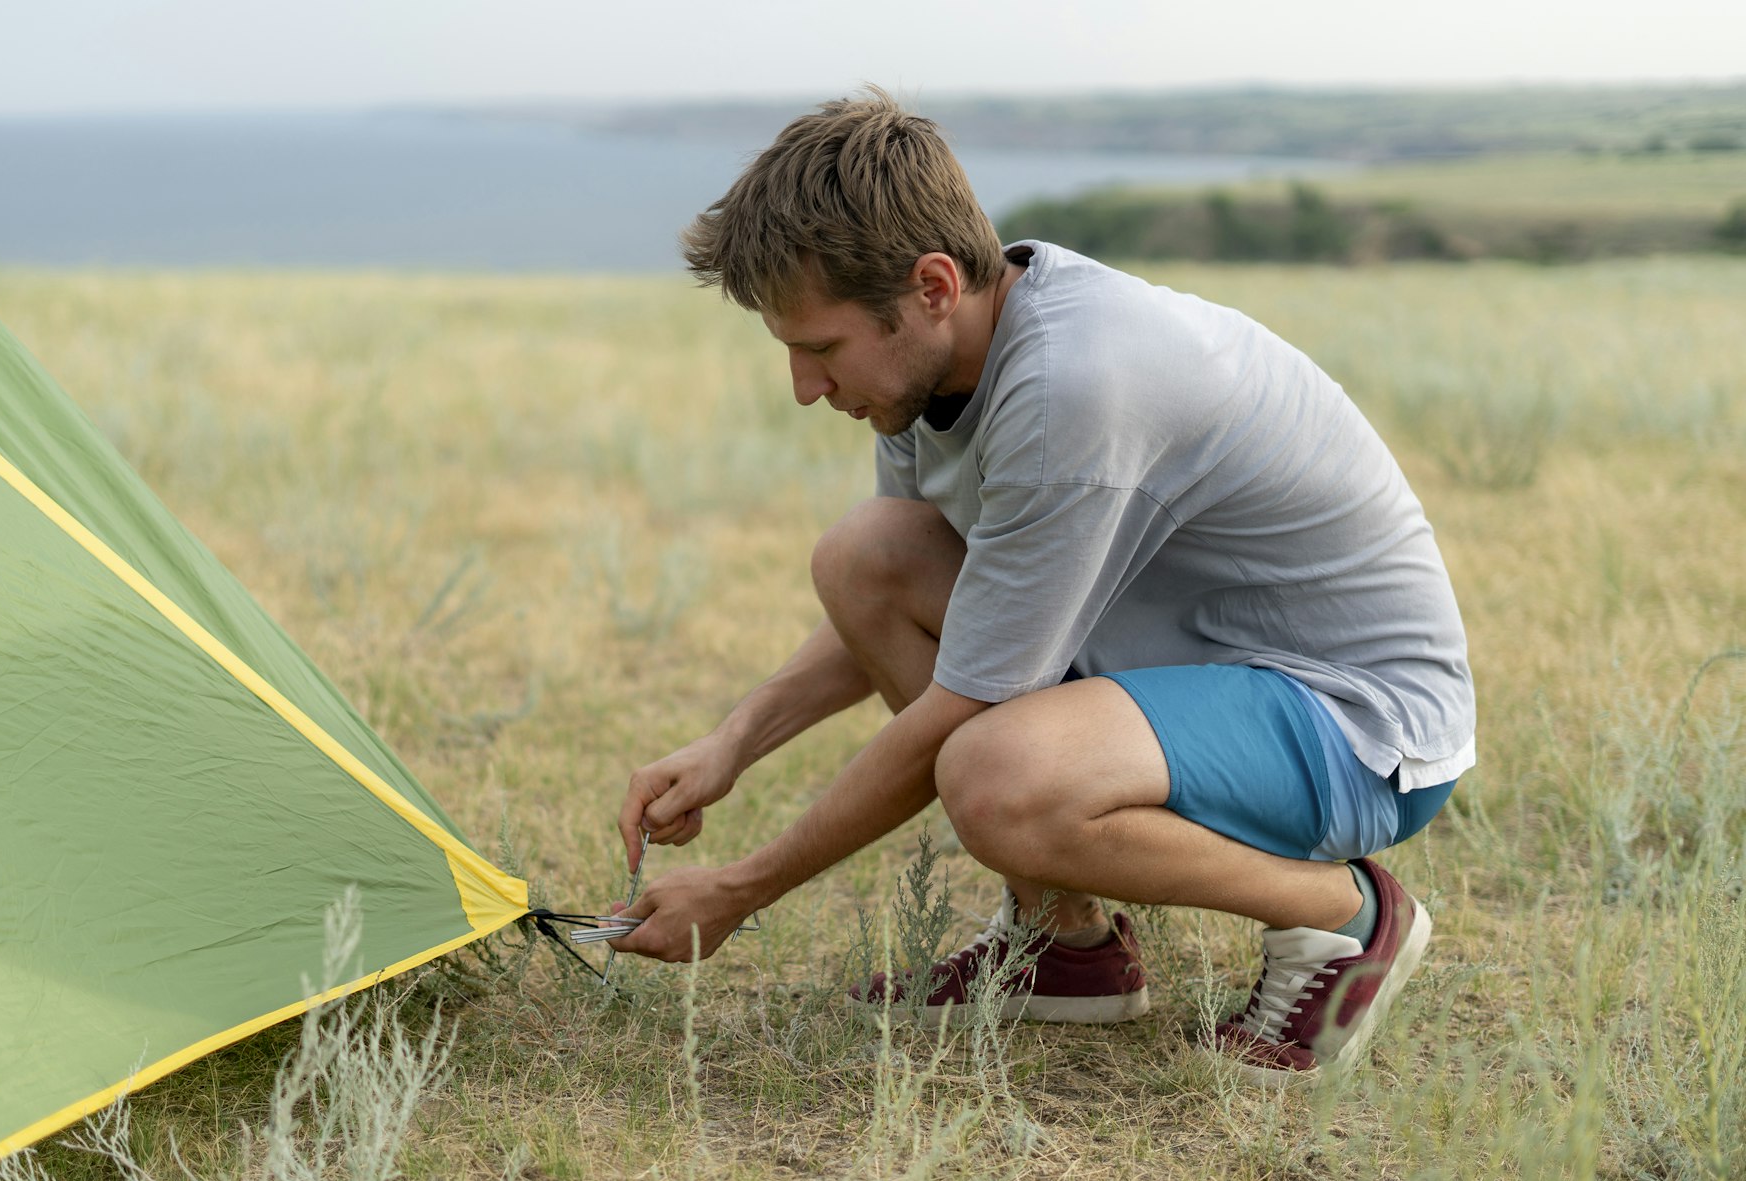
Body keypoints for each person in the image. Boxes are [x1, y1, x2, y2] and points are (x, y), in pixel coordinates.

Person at [608, 90, 1475, 1085]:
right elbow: (909, 597)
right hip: (1201, 677)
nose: (805, 386)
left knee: (994, 772)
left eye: (821, 348)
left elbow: (962, 703)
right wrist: (733, 740)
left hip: (1356, 726)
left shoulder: (1073, 384)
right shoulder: (933, 372)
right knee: (868, 553)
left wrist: (740, 887)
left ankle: (1343, 917)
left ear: (931, 284)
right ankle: (1062, 950)